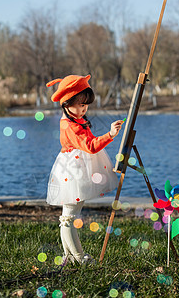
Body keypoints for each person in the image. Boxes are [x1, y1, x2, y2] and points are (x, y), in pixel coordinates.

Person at [46, 74, 124, 264]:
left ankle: (69, 256)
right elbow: (90, 145)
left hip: (75, 171)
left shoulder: (75, 121)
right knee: (69, 217)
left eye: (86, 105)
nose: (84, 109)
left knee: (68, 217)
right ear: (66, 103)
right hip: (73, 173)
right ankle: (79, 258)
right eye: (80, 104)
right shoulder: (70, 127)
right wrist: (110, 135)